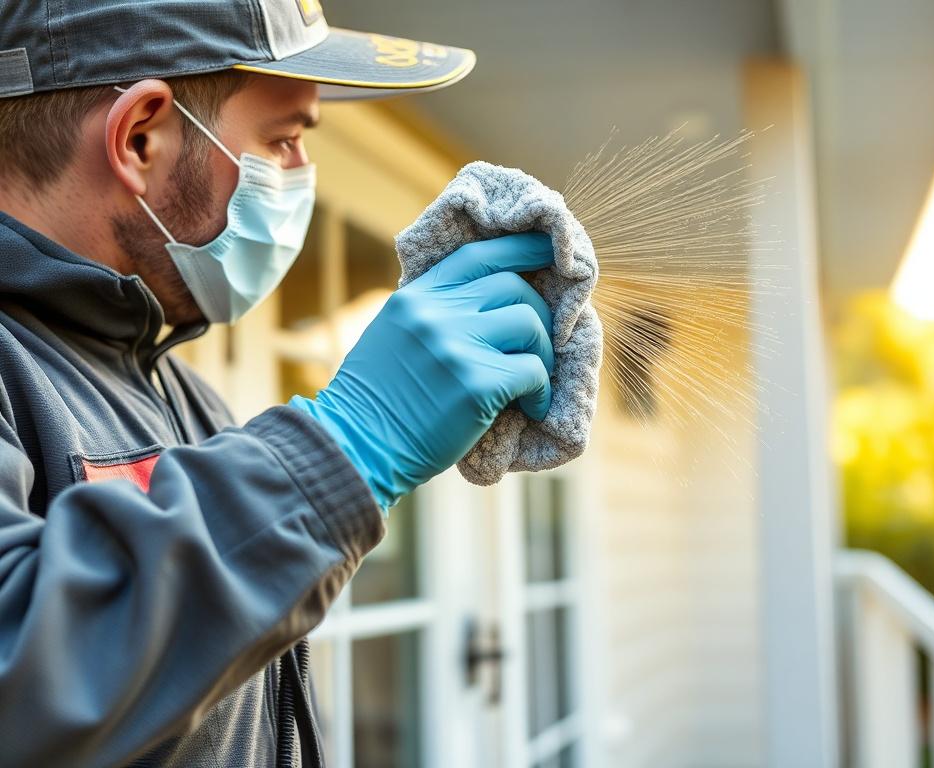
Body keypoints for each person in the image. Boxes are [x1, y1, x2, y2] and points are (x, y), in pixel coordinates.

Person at [0, 2, 556, 766]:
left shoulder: (186, 397)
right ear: (141, 138)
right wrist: (353, 443)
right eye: (284, 140)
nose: (302, 176)